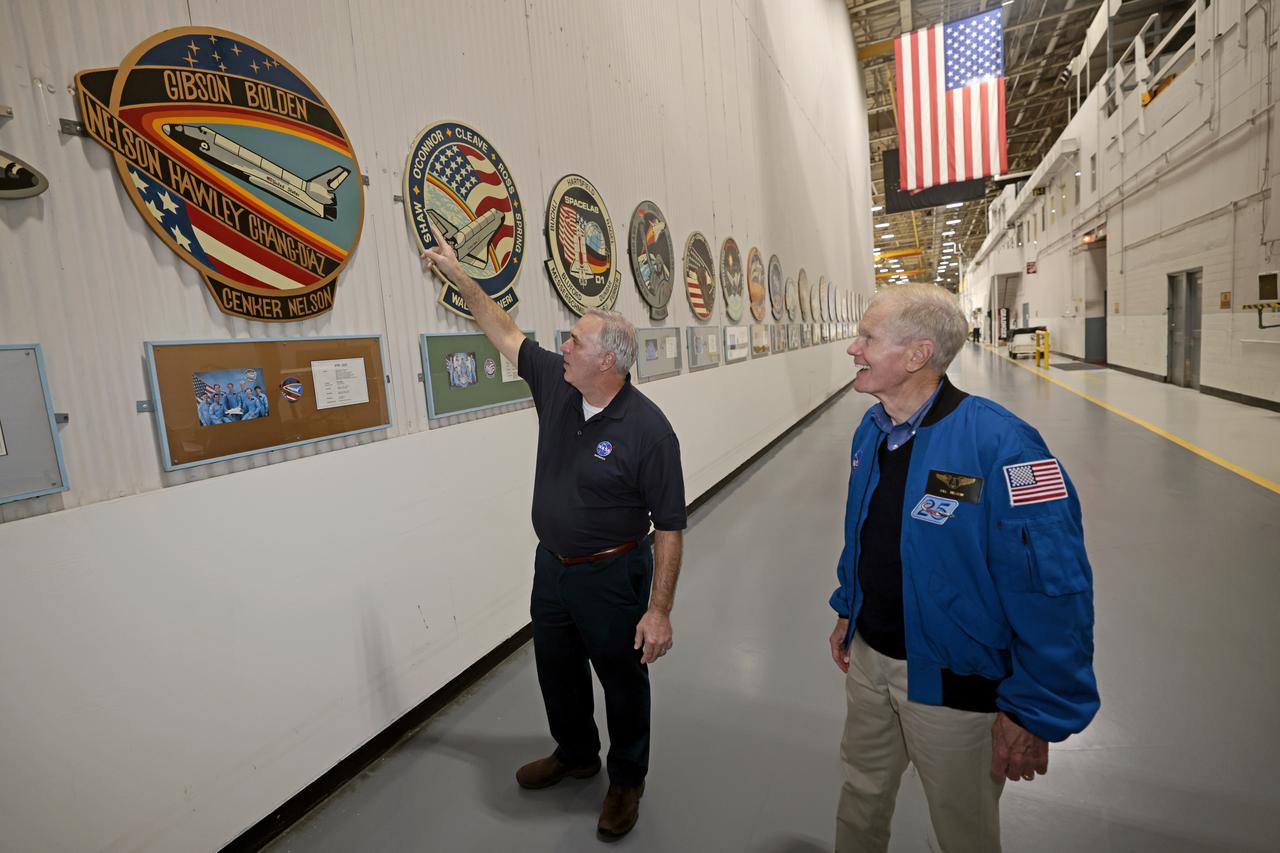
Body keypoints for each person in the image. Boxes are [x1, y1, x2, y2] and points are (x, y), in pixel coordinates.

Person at [421, 223, 687, 841]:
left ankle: (626, 778)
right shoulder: (557, 386)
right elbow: (502, 328)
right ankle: (575, 753)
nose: (561, 345)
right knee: (556, 667)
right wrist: (456, 272)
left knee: (621, 679)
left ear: (607, 361)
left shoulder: (649, 432)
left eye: (575, 340)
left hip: (614, 573)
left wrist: (660, 610)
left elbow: (670, 526)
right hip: (553, 567)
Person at [828, 283, 1098, 853]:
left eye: (868, 338)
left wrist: (1035, 709)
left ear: (917, 355)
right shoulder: (871, 431)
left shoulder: (1008, 447)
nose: (854, 349)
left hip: (953, 686)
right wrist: (847, 609)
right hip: (870, 660)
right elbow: (866, 537)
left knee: (961, 826)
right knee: (860, 791)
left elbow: (1054, 586)